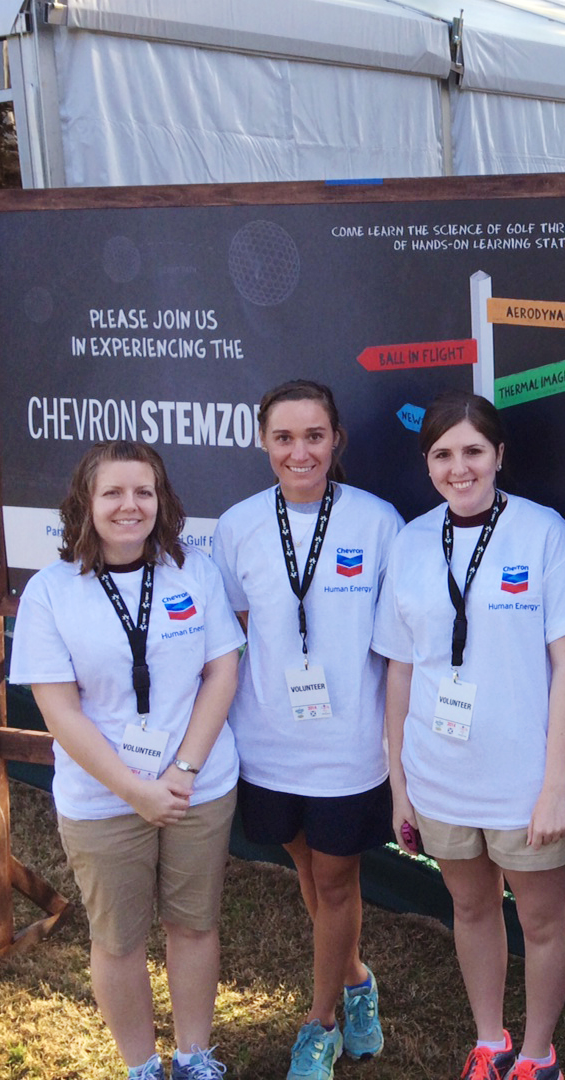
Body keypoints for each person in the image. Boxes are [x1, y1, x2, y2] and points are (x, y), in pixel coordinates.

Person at [372, 391, 565, 1080]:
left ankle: (536, 1055)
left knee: (543, 920)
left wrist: (555, 786)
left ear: (499, 455)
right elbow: (401, 675)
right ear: (428, 463)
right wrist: (401, 787)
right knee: (470, 906)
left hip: (528, 780)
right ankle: (491, 1041)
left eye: (472, 450)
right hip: (441, 775)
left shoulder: (543, 533)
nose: (458, 467)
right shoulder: (410, 542)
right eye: (442, 454)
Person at [9, 441, 244, 1080]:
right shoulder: (51, 592)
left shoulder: (192, 571)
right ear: (85, 502)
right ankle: (144, 1067)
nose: (129, 506)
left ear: (161, 501)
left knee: (193, 926)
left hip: (198, 785)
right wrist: (135, 789)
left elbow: (223, 670)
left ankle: (195, 1057)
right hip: (103, 798)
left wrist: (184, 772)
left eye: (143, 492)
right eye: (112, 492)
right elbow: (60, 715)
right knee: (118, 940)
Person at [212, 379, 404, 1080]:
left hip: (349, 746)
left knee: (333, 879)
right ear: (264, 442)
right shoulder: (237, 526)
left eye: (314, 436)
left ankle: (320, 1021)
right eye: (285, 438)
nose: (301, 452)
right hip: (266, 744)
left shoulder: (378, 521)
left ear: (337, 441)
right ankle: (356, 978)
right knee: (309, 870)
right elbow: (233, 630)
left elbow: (397, 641)